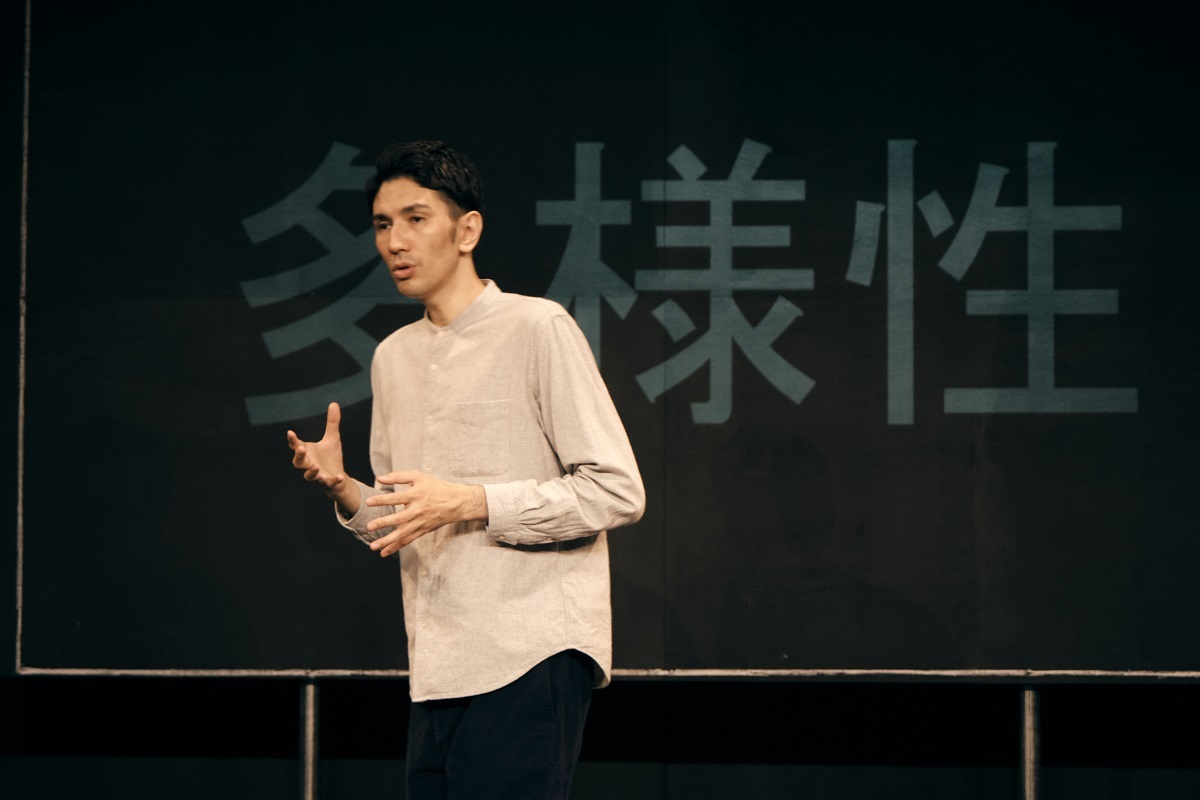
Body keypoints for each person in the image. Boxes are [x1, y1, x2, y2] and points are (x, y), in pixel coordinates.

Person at [286, 140, 645, 799]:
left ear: (467, 230)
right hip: (436, 664)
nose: (395, 241)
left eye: (416, 218)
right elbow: (401, 521)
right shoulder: (392, 357)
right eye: (382, 224)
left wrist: (472, 501)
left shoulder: (537, 327)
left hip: (530, 651)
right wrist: (345, 490)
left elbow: (616, 491)